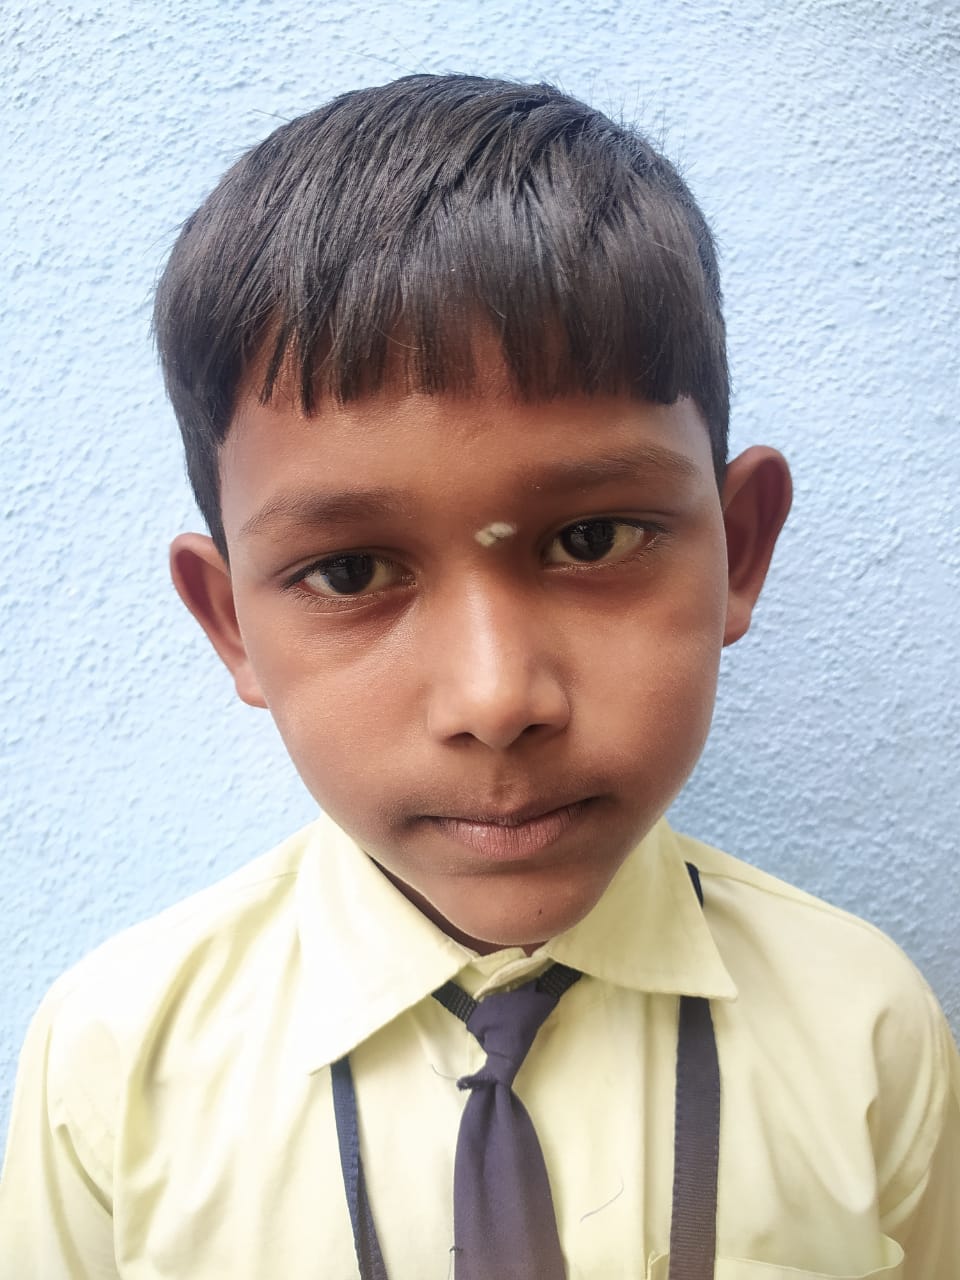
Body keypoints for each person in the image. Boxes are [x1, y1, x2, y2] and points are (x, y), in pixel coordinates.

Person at [1, 73, 957, 1279]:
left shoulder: (867, 1031)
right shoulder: (113, 1067)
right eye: (351, 569)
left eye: (592, 538)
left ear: (741, 548)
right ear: (230, 622)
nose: (497, 699)